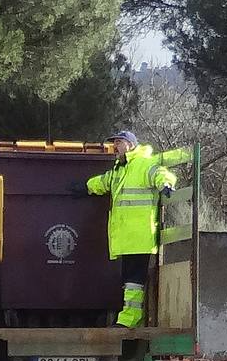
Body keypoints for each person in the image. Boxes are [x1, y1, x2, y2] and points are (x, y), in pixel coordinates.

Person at [75, 131, 193, 328]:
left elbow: (161, 174)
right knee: (128, 279)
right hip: (127, 238)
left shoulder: (143, 165)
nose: (115, 147)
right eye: (114, 144)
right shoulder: (119, 171)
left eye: (118, 143)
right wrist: (85, 186)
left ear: (130, 144)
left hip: (139, 236)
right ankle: (128, 317)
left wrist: (166, 184)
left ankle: (129, 320)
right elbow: (103, 182)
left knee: (133, 280)